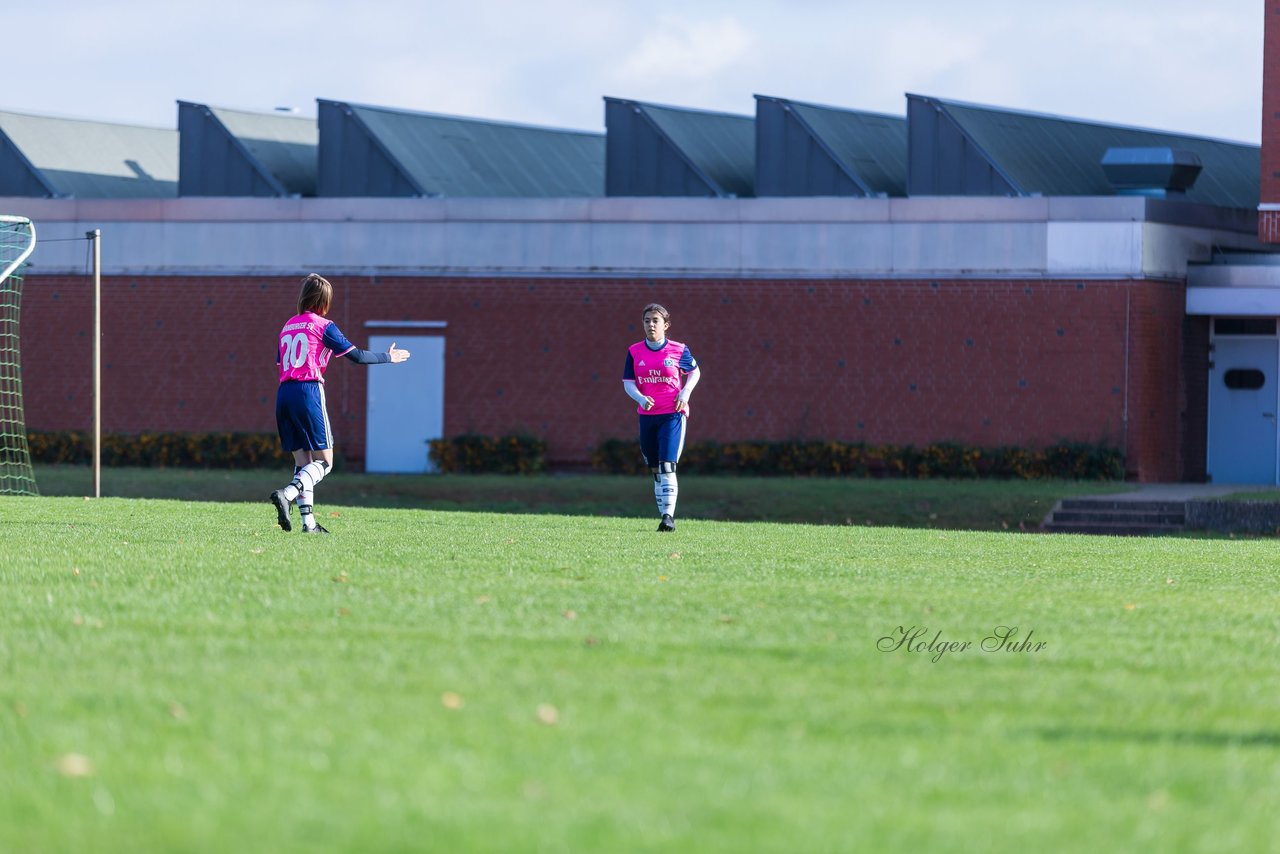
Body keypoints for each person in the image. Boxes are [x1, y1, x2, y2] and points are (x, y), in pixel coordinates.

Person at [269, 273, 410, 533]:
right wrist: (388, 357)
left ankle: (308, 524)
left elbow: (281, 362)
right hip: (308, 391)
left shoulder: (287, 326)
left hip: (284, 393)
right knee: (324, 462)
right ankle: (287, 494)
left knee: (303, 464)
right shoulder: (324, 325)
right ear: (325, 301)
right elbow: (357, 356)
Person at [621, 303, 701, 532]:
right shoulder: (634, 351)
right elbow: (628, 383)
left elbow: (695, 371)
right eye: (647, 320)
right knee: (655, 468)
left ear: (665, 325)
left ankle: (668, 518)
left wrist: (685, 393)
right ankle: (663, 514)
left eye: (655, 320)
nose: (650, 325)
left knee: (667, 465)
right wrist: (640, 398)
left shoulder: (678, 349)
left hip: (672, 415)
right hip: (647, 416)